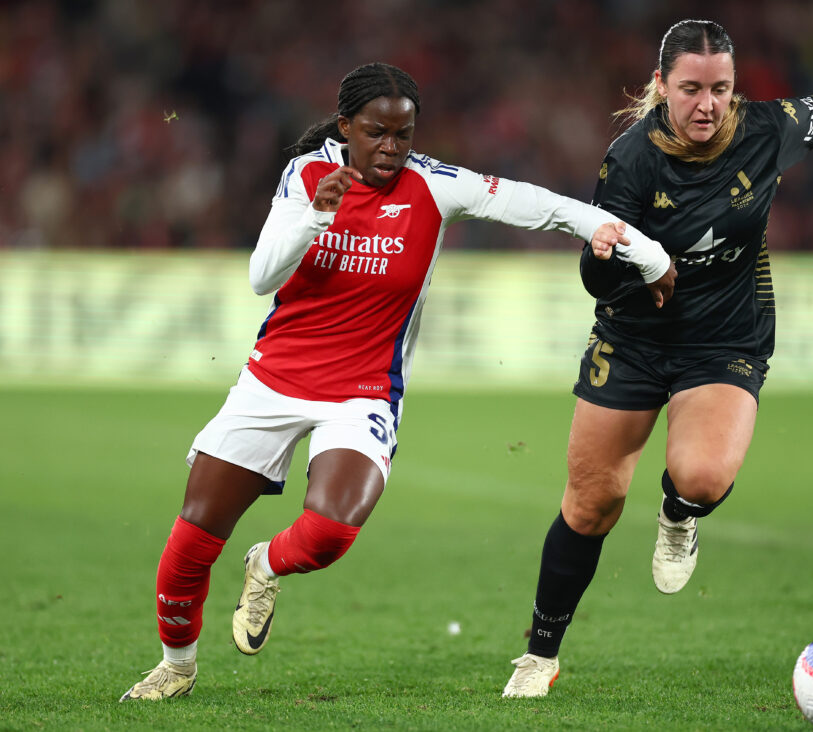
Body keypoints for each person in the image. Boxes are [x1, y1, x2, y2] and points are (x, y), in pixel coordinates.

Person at [120, 62, 675, 701]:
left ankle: (265, 563)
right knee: (193, 536)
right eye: (377, 133)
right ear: (345, 127)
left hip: (362, 393)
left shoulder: (432, 186)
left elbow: (538, 206)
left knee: (329, 532)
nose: (391, 148)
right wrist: (314, 218)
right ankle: (177, 666)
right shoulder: (306, 177)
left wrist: (643, 250)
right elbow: (260, 277)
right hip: (272, 382)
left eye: (403, 135)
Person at [501, 19, 813, 698]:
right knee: (592, 504)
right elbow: (594, 277)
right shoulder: (631, 158)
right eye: (692, 89)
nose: (708, 104)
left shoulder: (769, 128)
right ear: (661, 87)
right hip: (634, 341)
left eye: (721, 89)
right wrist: (623, 264)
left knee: (700, 476)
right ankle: (540, 656)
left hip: (725, 340)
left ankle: (679, 514)